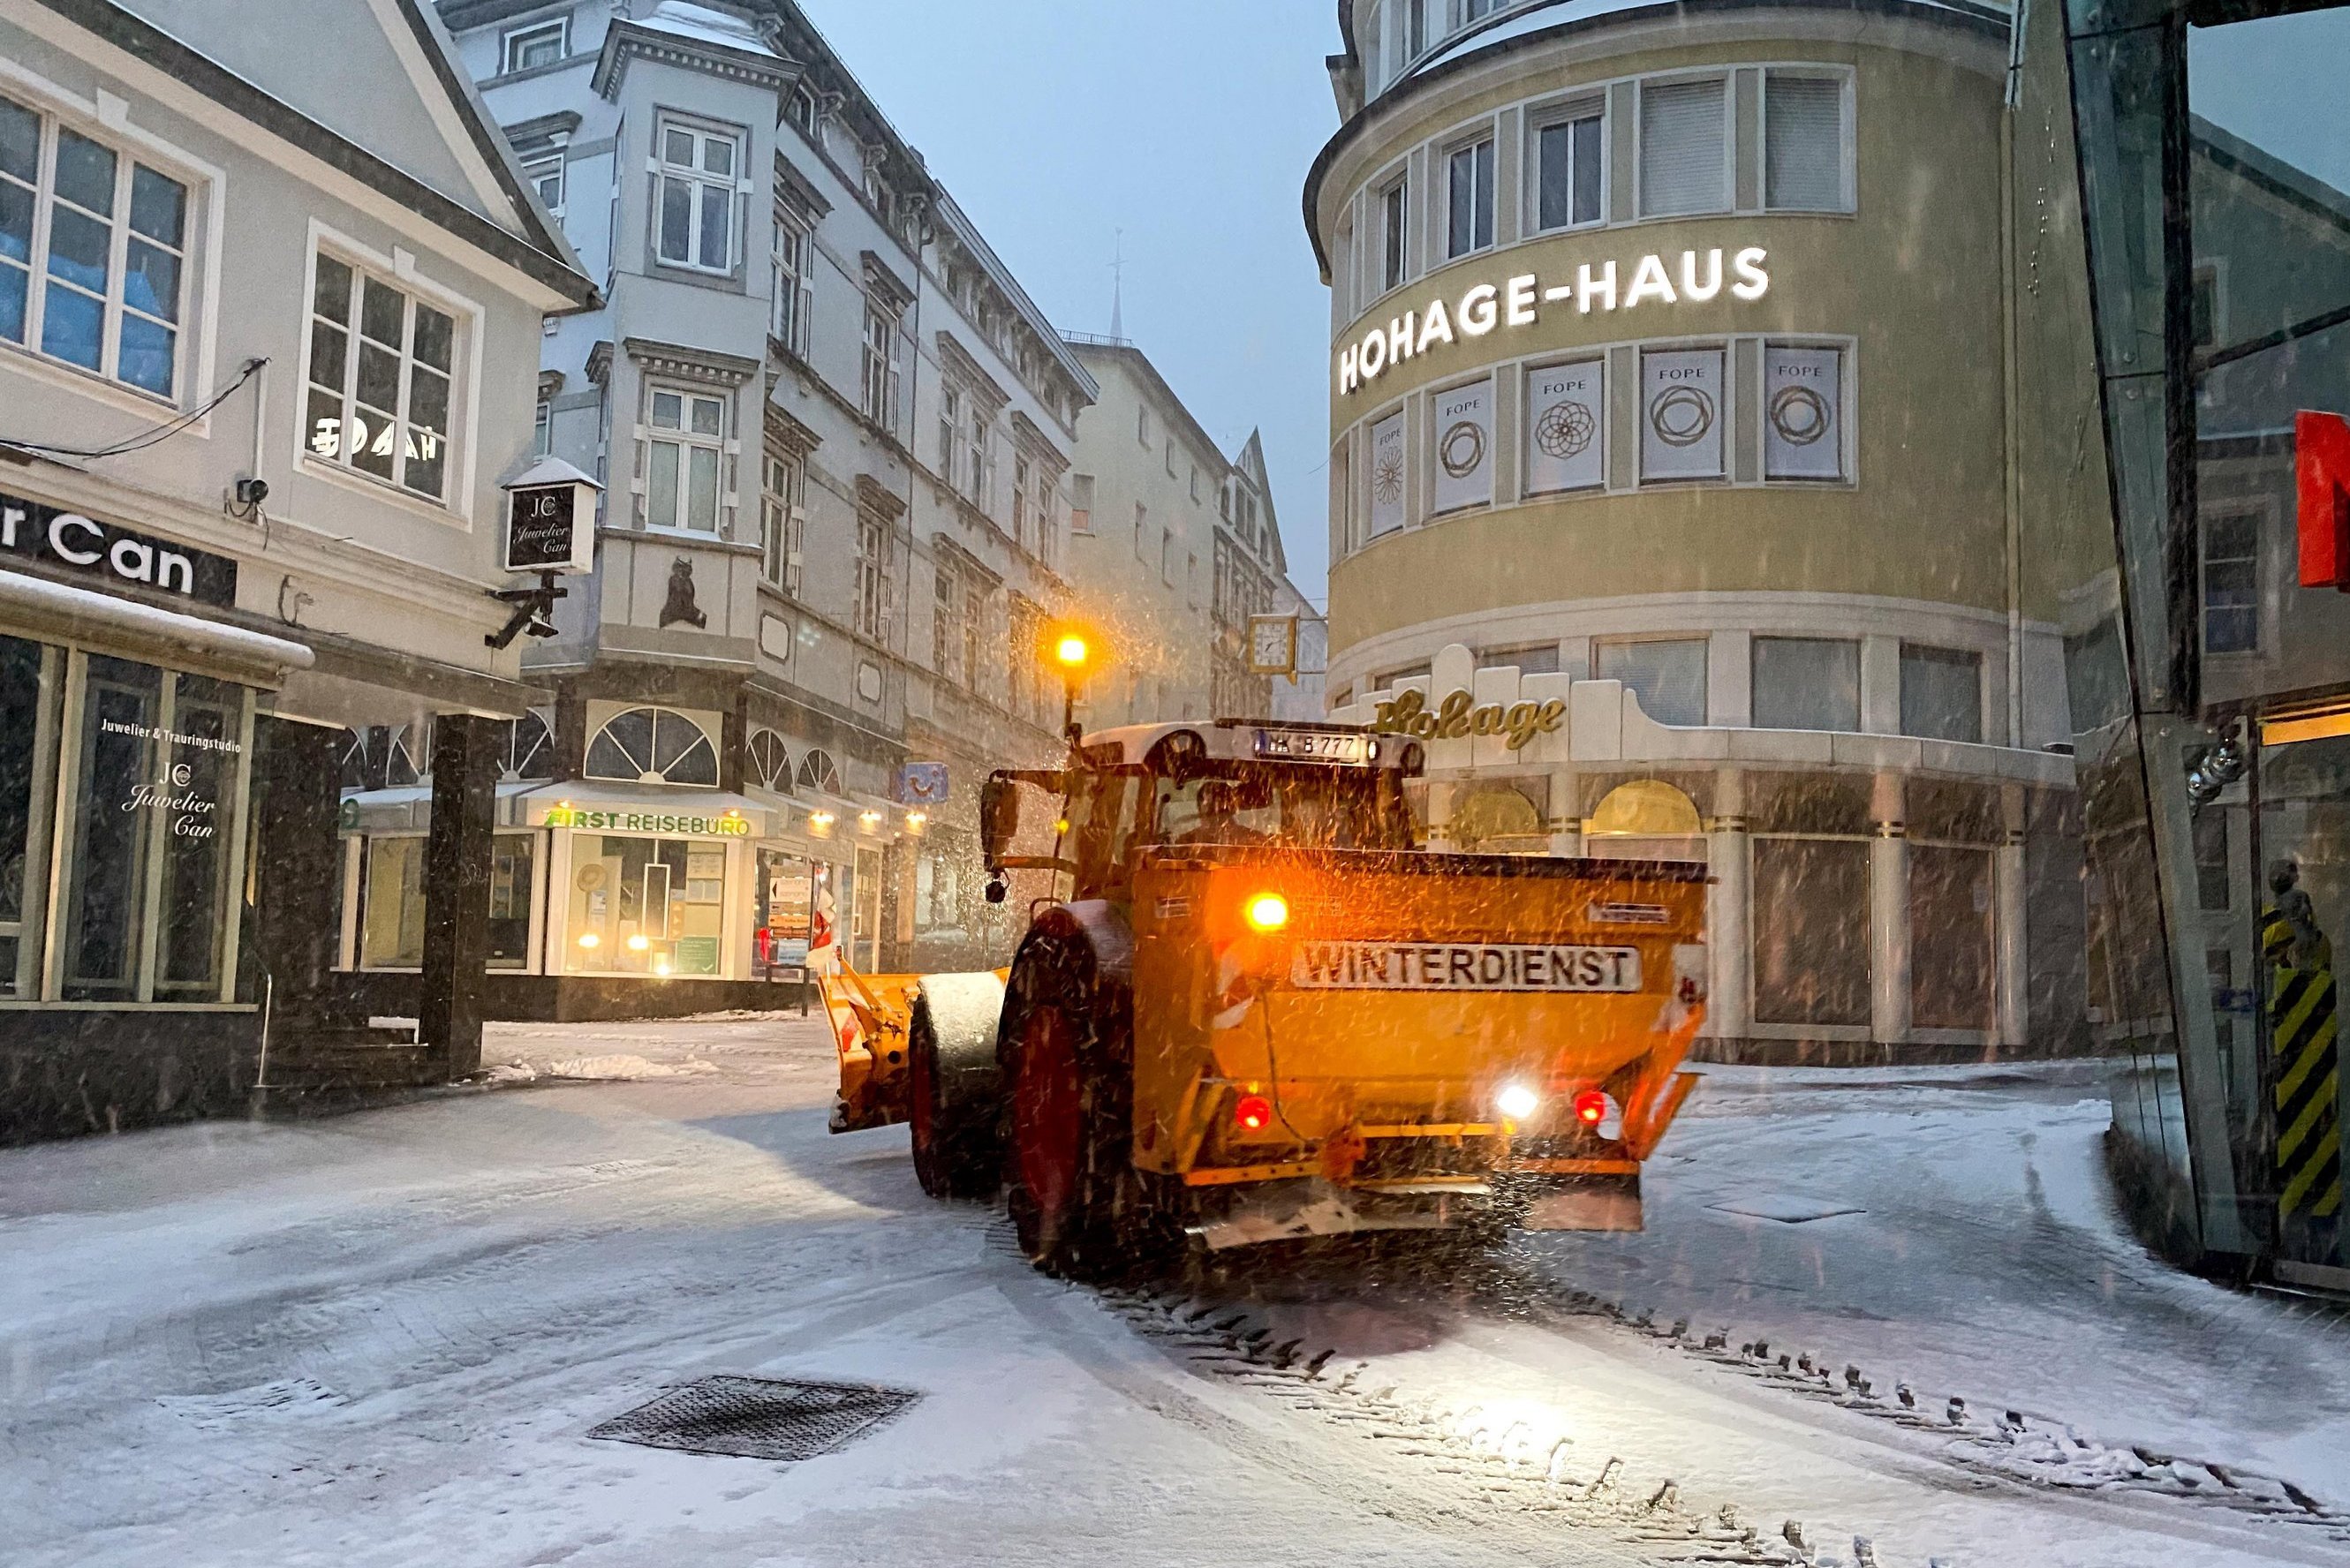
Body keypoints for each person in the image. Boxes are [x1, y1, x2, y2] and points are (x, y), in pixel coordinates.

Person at [1177, 779, 1268, 847]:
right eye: (1211, 810)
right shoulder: (1185, 843)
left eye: (1221, 811)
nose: (1216, 816)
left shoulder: (1255, 841)